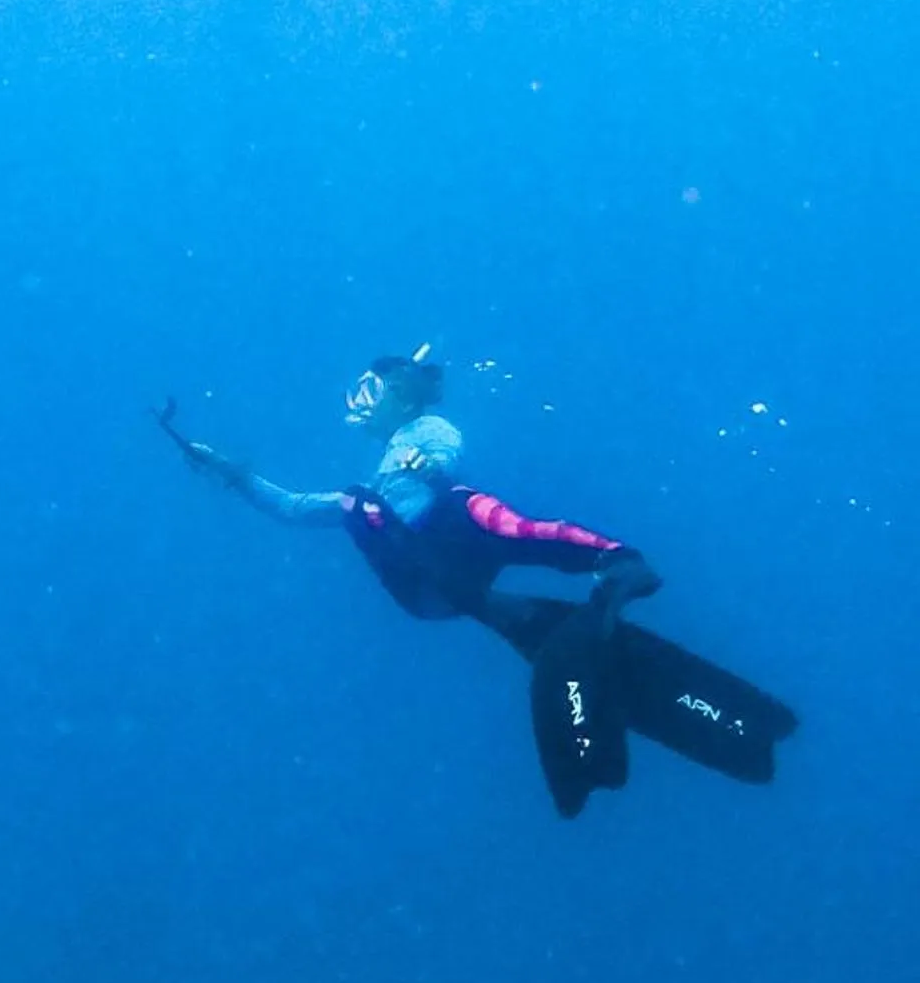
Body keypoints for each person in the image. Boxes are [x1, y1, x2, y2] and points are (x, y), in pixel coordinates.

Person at [159, 346, 796, 817]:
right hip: (421, 577)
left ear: (400, 394)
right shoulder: (375, 490)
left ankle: (611, 562)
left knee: (474, 507)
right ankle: (581, 577)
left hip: (458, 567)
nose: (360, 401)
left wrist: (431, 469)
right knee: (361, 503)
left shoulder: (424, 433)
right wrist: (232, 474)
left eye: (370, 388)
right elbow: (296, 507)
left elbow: (447, 446)